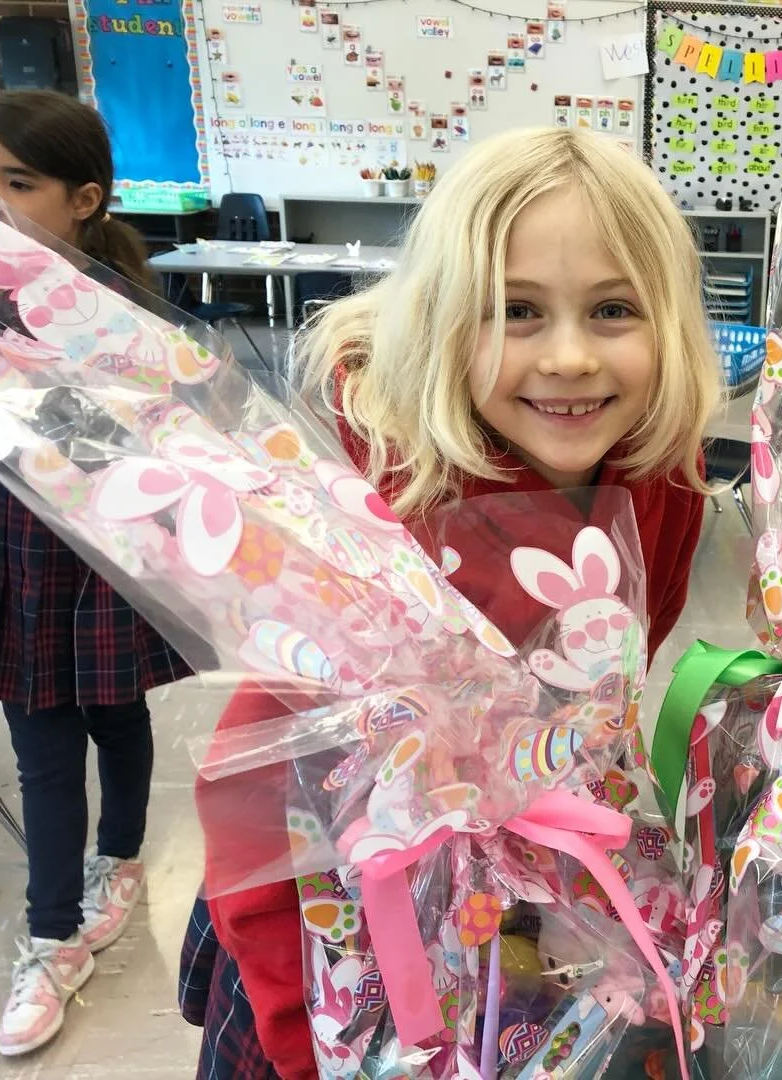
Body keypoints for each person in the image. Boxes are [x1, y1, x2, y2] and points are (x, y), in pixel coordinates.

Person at [180, 127, 719, 1077]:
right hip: (336, 939)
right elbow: (261, 793)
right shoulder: (380, 520)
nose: (569, 358)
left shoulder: (658, 475)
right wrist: (307, 1044)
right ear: (438, 319)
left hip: (530, 916)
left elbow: (599, 697)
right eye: (513, 310)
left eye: (612, 310)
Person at [0, 90, 189, 1056]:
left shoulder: (118, 307)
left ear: (85, 197)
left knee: (116, 707)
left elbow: (159, 425)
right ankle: (53, 936)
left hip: (102, 540)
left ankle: (123, 857)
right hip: (14, 539)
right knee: (40, 735)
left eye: (20, 182)